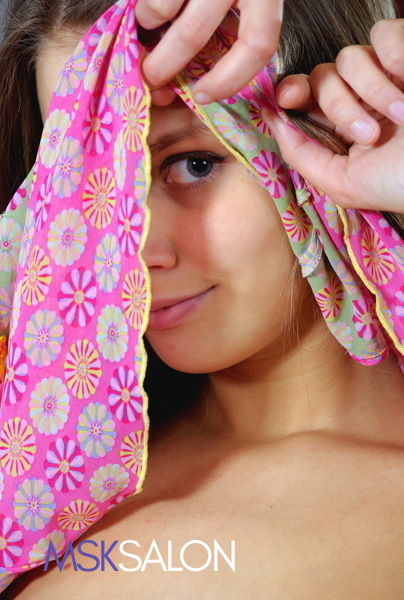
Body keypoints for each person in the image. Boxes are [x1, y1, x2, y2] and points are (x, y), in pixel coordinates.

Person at [0, 0, 403, 597]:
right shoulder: (37, 467)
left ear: (334, 132)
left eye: (193, 164)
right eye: (92, 186)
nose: (133, 249)